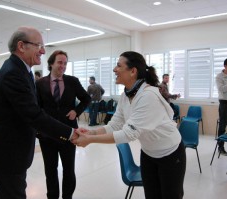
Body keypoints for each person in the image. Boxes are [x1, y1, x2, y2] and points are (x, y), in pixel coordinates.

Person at [0, 26, 77, 199]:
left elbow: (2, 104)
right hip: (8, 154)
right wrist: (70, 133)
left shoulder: (19, 69)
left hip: (12, 152)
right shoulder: (14, 73)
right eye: (39, 45)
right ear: (21, 46)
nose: (43, 51)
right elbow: (34, 114)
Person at [73, 51, 186, 199]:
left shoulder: (148, 96)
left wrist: (90, 140)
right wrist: (91, 133)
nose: (114, 69)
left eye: (119, 65)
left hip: (170, 154)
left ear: (133, 71)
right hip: (148, 154)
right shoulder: (126, 95)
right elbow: (115, 124)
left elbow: (128, 134)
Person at [36, 50, 90, 199]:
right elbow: (36, 108)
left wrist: (76, 111)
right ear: (51, 63)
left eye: (65, 63)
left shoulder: (72, 81)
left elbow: (86, 99)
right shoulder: (40, 83)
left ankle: (68, 197)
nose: (63, 66)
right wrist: (38, 129)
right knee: (50, 170)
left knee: (68, 169)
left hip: (69, 132)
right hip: (47, 135)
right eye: (60, 62)